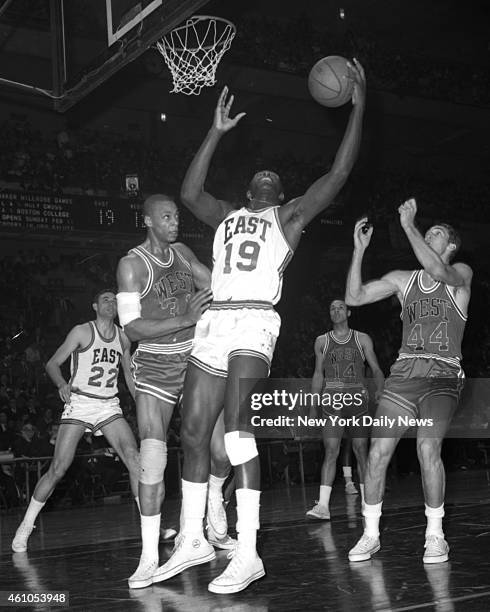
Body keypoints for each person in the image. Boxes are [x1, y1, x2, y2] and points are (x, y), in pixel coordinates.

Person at [153, 59, 366, 594]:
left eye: (276, 177)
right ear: (248, 191)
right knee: (195, 433)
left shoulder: (289, 218)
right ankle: (193, 541)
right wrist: (215, 132)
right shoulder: (224, 214)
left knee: (239, 436)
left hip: (254, 322)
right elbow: (187, 193)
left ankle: (247, 553)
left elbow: (337, 175)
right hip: (214, 322)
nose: (268, 174)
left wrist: (357, 110)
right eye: (260, 176)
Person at [116, 194, 234, 590]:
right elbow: (131, 328)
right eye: (166, 216)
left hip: (196, 357)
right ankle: (149, 556)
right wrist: (186, 316)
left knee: (221, 451)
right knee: (152, 458)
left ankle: (213, 506)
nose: (174, 222)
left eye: (176, 216)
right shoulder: (132, 265)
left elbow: (217, 285)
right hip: (154, 366)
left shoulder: (182, 253)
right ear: (148, 220)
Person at [346, 199, 472, 564]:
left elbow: (436, 269)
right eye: (424, 231)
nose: (427, 234)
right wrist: (358, 253)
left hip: (442, 375)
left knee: (427, 449)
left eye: (435, 233)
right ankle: (370, 534)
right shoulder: (403, 280)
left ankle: (435, 535)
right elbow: (354, 296)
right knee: (377, 454)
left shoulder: (460, 274)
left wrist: (408, 226)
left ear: (450, 246)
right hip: (404, 374)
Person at [12, 290, 140, 552]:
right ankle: (26, 525)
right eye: (105, 299)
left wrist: (141, 401)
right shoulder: (82, 331)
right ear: (94, 306)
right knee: (58, 468)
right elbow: (52, 363)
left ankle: (150, 525)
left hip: (108, 405)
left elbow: (128, 374)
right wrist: (61, 384)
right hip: (80, 403)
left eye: (114, 300)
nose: (111, 303)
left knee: (134, 460)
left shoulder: (124, 337)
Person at [306, 299, 384, 520]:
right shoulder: (322, 341)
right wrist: (314, 404)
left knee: (361, 450)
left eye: (340, 307)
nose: (336, 310)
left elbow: (376, 368)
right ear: (329, 314)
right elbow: (318, 374)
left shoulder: (361, 338)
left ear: (348, 312)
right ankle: (322, 506)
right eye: (332, 308)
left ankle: (369, 503)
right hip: (332, 399)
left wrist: (379, 389)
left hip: (357, 398)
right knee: (331, 451)